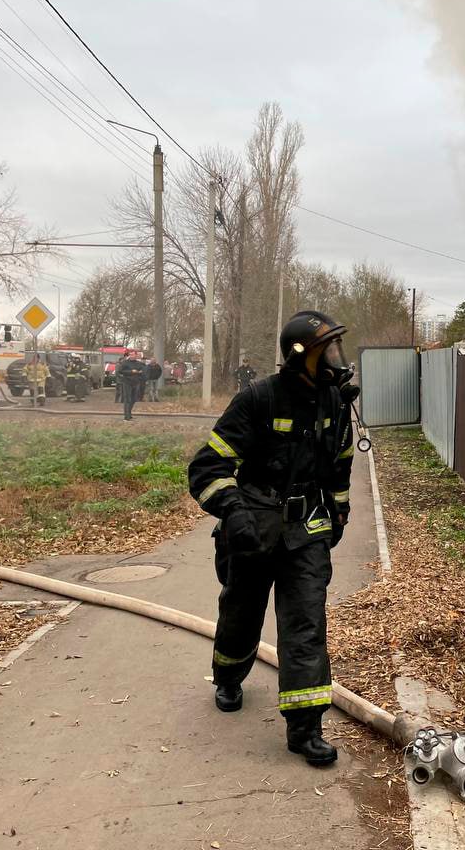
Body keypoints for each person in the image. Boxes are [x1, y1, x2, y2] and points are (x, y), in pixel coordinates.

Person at [187, 311, 357, 767]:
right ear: (300, 355)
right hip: (253, 530)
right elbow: (207, 467)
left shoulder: (335, 403)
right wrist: (233, 512)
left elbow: (340, 463)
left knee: (305, 626)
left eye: (338, 349)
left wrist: (338, 510)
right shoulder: (258, 399)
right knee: (241, 614)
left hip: (307, 533)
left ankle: (306, 730)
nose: (338, 360)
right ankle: (227, 675)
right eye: (329, 351)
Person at [118, 350, 147, 420]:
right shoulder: (125, 363)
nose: (131, 356)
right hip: (127, 382)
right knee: (127, 399)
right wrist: (131, 371)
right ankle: (126, 416)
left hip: (136, 383)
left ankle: (129, 413)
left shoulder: (139, 363)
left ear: (136, 355)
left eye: (133, 355)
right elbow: (120, 371)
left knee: (134, 399)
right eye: (130, 355)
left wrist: (140, 374)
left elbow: (144, 371)